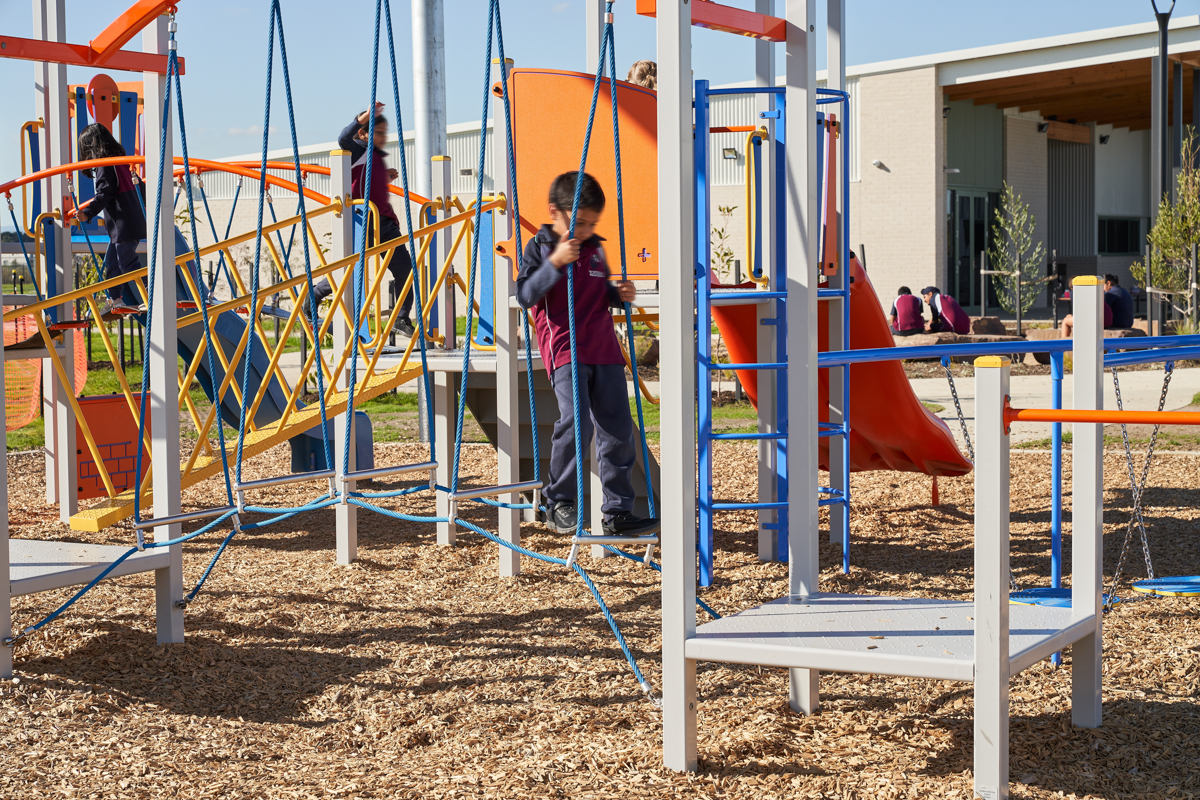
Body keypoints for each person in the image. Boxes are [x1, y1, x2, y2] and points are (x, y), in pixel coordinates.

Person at [516, 172, 658, 538]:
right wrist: (556, 261)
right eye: (579, 222)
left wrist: (618, 293)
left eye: (592, 223)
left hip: (604, 348)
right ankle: (557, 499)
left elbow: (597, 293)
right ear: (555, 212)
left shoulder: (595, 248)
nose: (586, 229)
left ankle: (617, 511)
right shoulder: (540, 247)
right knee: (576, 422)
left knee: (618, 429)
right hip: (565, 348)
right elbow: (526, 295)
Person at [305, 103, 416, 337]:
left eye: (385, 133)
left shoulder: (377, 157)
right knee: (351, 269)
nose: (383, 137)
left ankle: (401, 317)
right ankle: (314, 294)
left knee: (405, 267)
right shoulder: (356, 149)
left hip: (385, 222)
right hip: (362, 221)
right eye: (377, 132)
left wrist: (385, 176)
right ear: (363, 134)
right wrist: (363, 116)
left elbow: (369, 183)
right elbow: (343, 138)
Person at [69, 123, 146, 317]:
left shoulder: (106, 165)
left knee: (128, 263)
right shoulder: (123, 163)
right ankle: (115, 300)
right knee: (112, 264)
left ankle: (152, 294)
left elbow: (104, 193)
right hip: (130, 221)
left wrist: (88, 212)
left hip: (123, 224)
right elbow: (141, 189)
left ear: (91, 148)